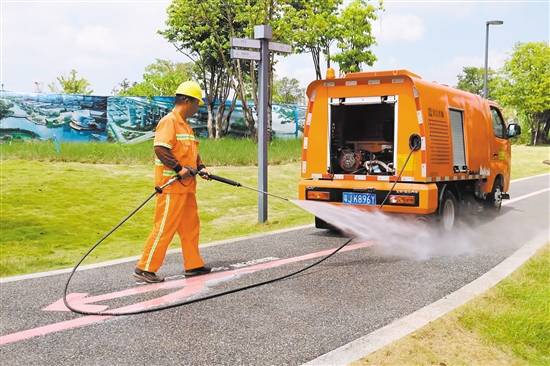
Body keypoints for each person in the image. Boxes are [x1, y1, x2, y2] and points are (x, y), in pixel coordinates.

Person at [134, 81, 211, 283]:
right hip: (171, 186)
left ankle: (193, 265)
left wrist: (201, 168)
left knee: (191, 227)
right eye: (196, 103)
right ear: (186, 100)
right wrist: (179, 169)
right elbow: (160, 148)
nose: (197, 108)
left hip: (186, 188)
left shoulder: (186, 126)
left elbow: (192, 152)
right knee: (164, 227)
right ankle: (145, 268)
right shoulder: (169, 121)